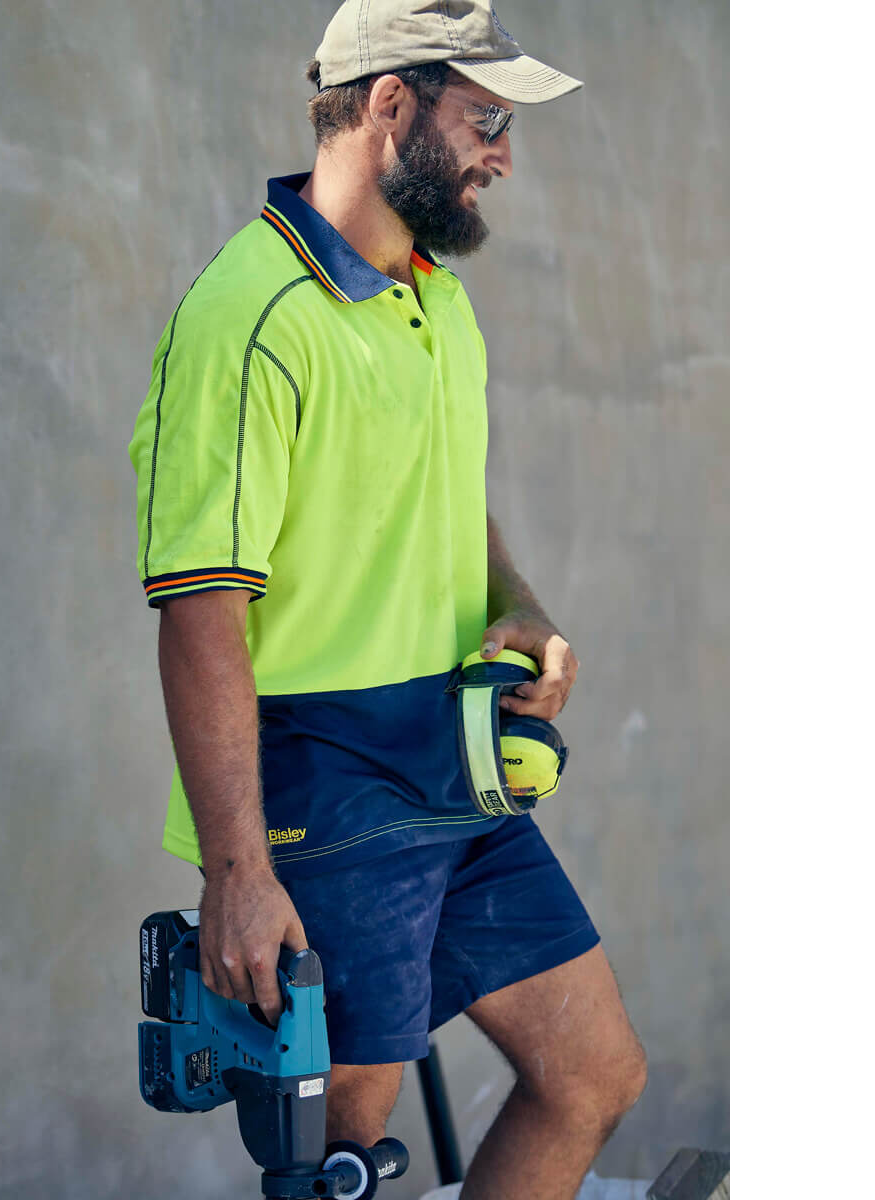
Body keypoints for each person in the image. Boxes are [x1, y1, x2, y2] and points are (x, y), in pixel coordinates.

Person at [127, 3, 647, 1195]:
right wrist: (238, 874)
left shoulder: (435, 300)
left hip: (453, 762)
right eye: (486, 122)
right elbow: (200, 610)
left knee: (591, 1077)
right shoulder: (248, 321)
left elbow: (443, 500)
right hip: (322, 784)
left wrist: (520, 604)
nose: (502, 157)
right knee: (339, 1158)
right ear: (390, 105)